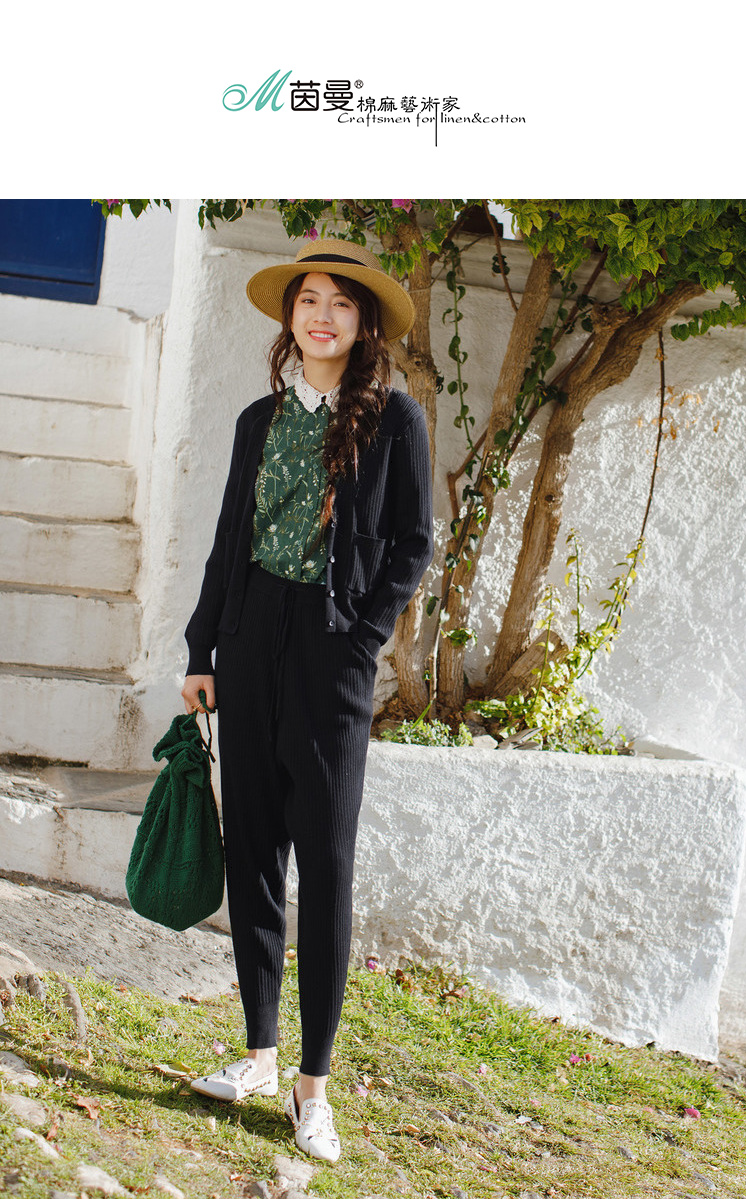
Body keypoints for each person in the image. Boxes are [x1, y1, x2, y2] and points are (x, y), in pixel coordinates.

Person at [180, 237, 433, 1163]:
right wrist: (202, 647)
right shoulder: (259, 419)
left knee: (324, 864)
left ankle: (312, 1087)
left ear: (364, 325)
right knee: (251, 848)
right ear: (291, 319)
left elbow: (413, 543)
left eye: (341, 303)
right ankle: (257, 1051)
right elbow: (227, 539)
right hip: (250, 643)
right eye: (309, 300)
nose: (322, 315)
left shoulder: (394, 420)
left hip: (332, 658)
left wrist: (361, 641)